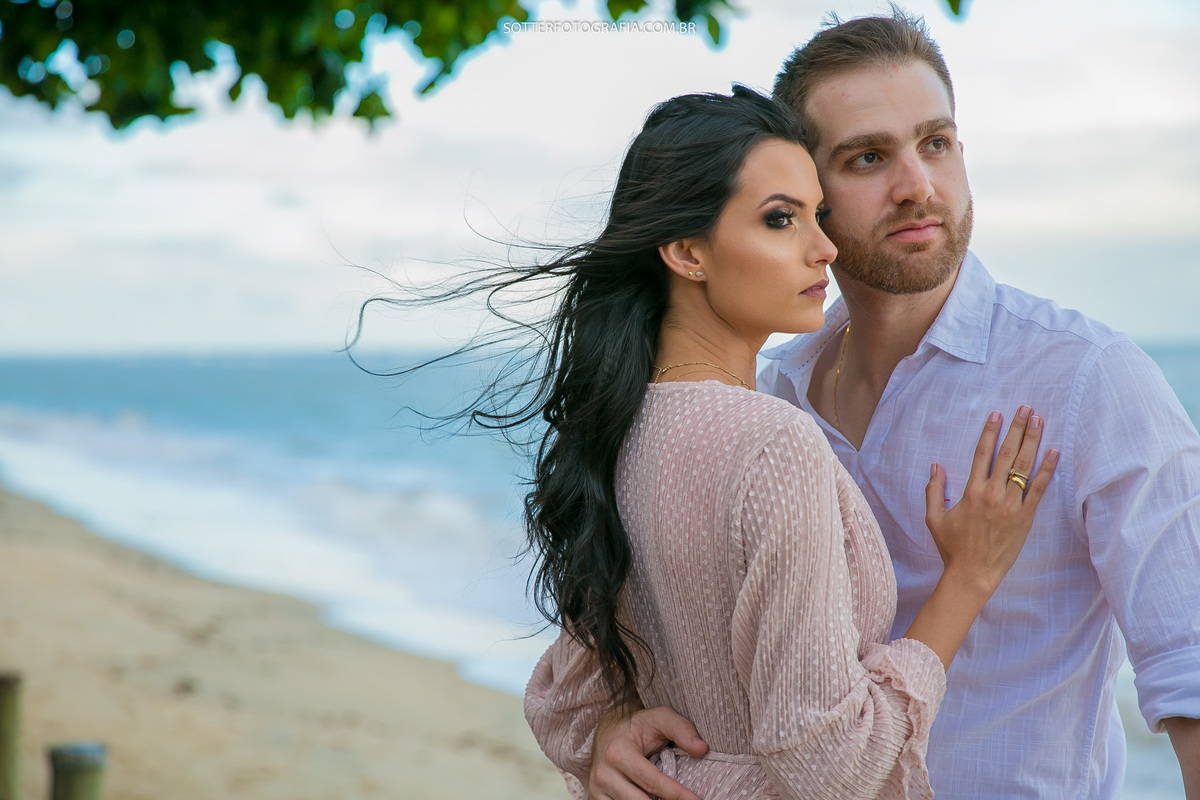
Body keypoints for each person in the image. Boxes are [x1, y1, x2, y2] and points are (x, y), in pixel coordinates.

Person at [531, 9, 1200, 800]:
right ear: (811, 191)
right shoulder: (766, 400)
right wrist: (612, 722)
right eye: (868, 158)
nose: (917, 185)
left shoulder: (1091, 380)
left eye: (937, 143)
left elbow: (1188, 669)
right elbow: (652, 636)